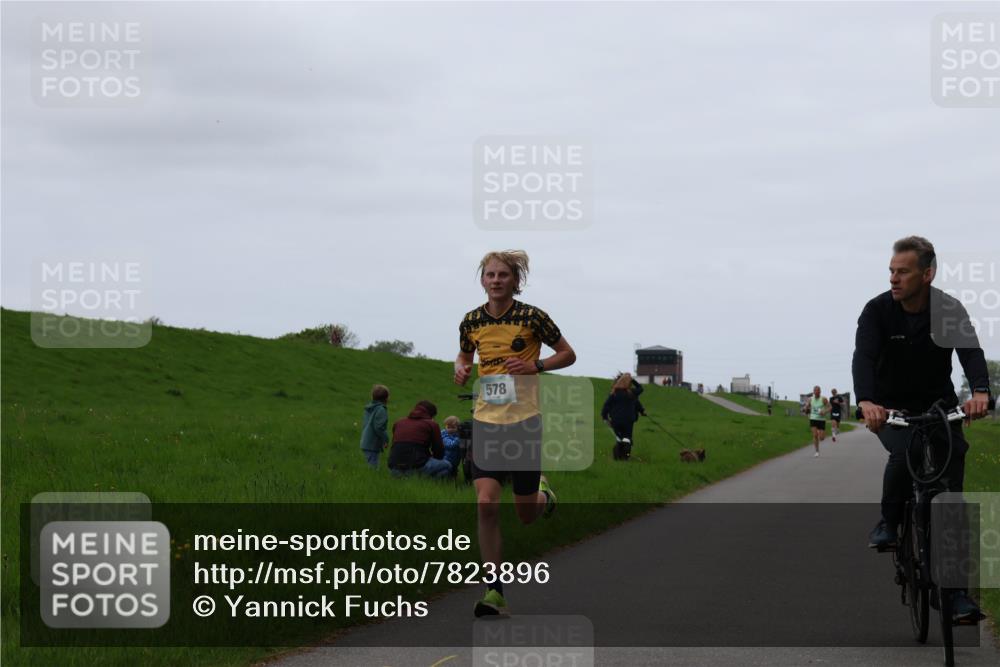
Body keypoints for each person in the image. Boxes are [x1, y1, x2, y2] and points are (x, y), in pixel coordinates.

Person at [853, 236, 991, 621]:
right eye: (891, 272)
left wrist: (980, 391)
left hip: (939, 407)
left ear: (927, 274)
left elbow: (971, 354)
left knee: (950, 498)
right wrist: (866, 401)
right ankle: (890, 522)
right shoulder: (878, 311)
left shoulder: (948, 309)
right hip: (890, 409)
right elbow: (863, 357)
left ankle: (955, 595)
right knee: (906, 451)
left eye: (903, 271)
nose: (894, 279)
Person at [455, 250, 576, 617]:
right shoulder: (471, 321)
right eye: (490, 275)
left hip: (524, 422)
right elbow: (463, 356)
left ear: (515, 280)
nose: (495, 280)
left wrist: (534, 365)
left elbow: (568, 354)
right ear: (482, 280)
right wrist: (460, 369)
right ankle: (495, 591)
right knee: (486, 502)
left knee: (525, 514)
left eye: (502, 275)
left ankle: (542, 494)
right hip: (486, 421)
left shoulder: (533, 317)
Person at [387, 400, 452, 479]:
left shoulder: (398, 422)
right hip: (417, 465)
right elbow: (438, 450)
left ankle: (411, 480)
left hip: (394, 468)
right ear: (431, 415)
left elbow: (395, 444)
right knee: (447, 466)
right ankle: (427, 483)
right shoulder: (432, 424)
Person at [601, 373, 646, 460]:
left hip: (615, 420)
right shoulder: (632, 393)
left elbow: (606, 406)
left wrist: (604, 417)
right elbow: (640, 389)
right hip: (628, 420)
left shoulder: (613, 394)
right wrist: (642, 411)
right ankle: (625, 457)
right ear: (629, 383)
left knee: (620, 439)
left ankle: (617, 456)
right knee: (627, 438)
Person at [359, 384, 390, 468]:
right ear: (386, 398)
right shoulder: (381, 410)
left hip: (366, 441)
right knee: (373, 468)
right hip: (372, 443)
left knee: (371, 465)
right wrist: (386, 439)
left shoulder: (370, 408)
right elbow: (379, 428)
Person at [805, 386, 829, 457]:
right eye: (815, 391)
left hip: (821, 420)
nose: (816, 392)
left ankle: (820, 433)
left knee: (822, 438)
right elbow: (807, 407)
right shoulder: (810, 399)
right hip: (813, 419)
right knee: (815, 435)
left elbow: (830, 407)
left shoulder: (823, 399)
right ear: (813, 392)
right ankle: (817, 451)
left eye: (818, 391)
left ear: (820, 392)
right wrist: (806, 408)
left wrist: (824, 411)